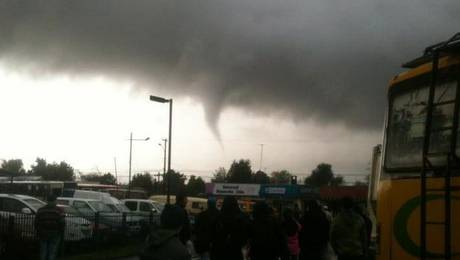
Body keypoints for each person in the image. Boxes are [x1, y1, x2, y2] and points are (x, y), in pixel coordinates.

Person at [35, 194, 65, 260]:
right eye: (55, 200)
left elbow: (36, 223)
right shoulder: (59, 211)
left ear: (47, 201)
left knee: (43, 251)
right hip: (55, 234)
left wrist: (39, 231)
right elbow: (62, 223)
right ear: (54, 201)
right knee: (52, 252)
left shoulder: (40, 210)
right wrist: (60, 232)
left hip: (43, 234)